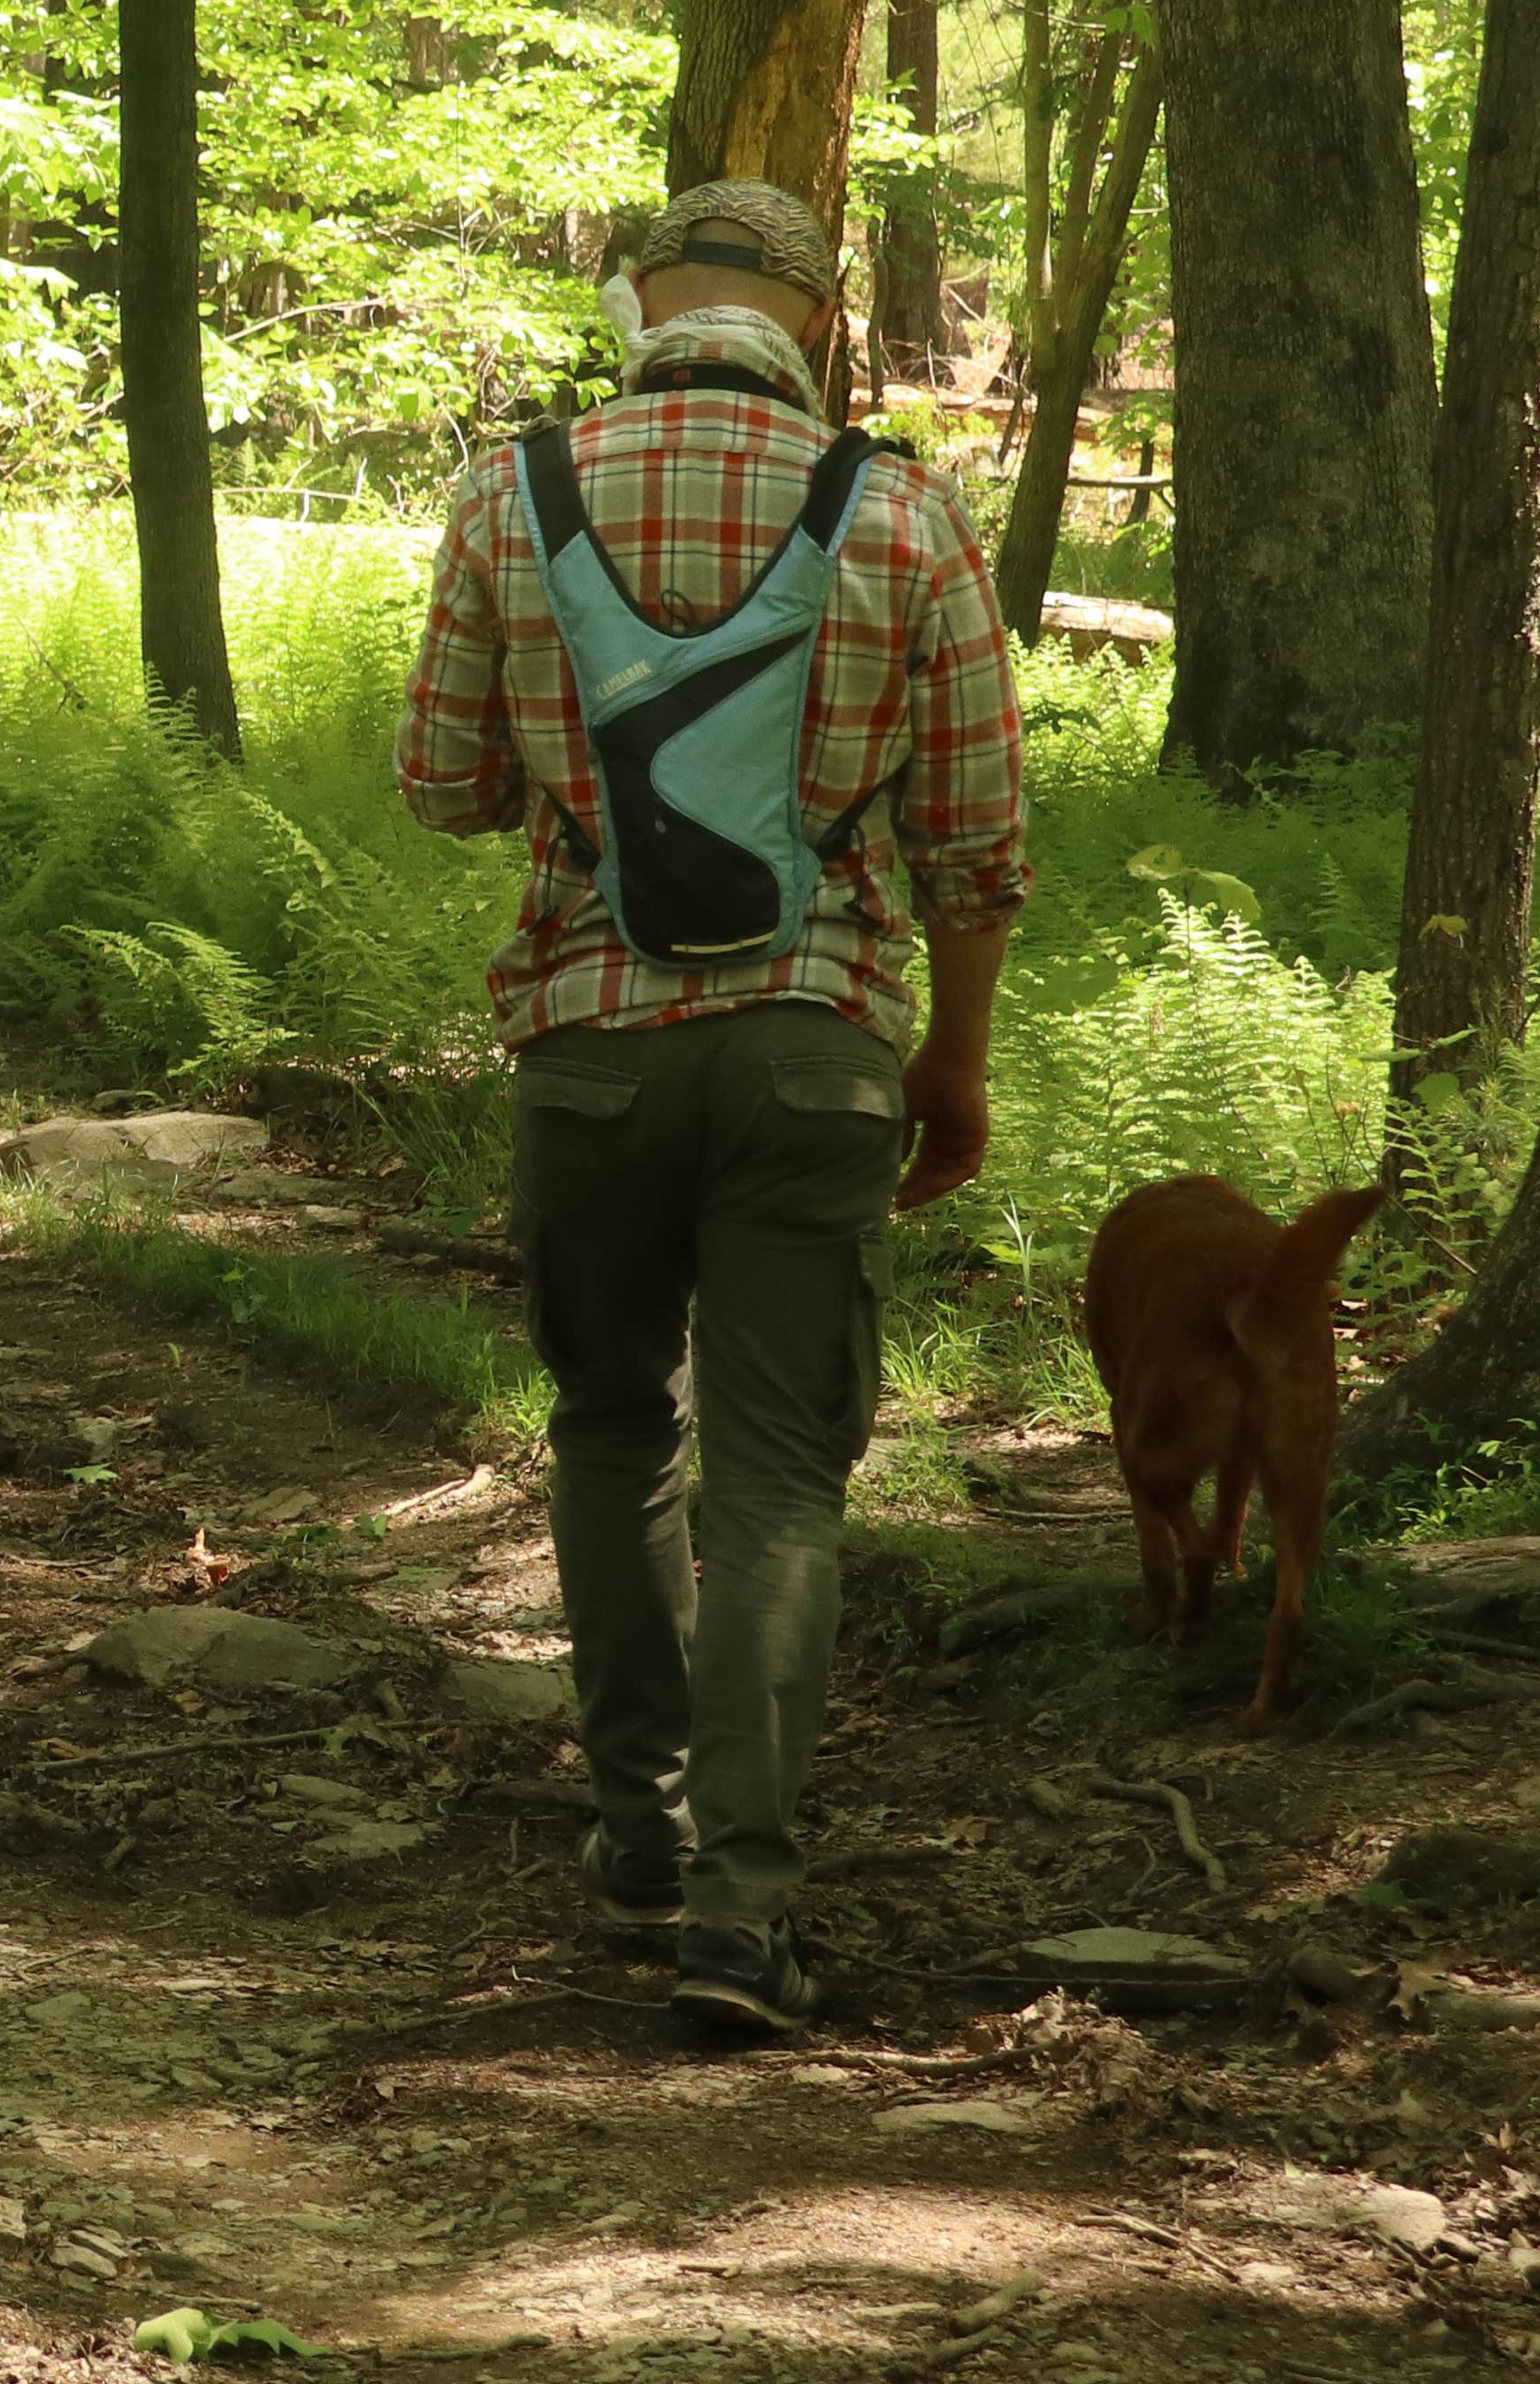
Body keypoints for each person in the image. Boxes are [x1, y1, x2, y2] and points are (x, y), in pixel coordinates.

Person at [395, 179, 1032, 2040]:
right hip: (821, 1044)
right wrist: (954, 1063)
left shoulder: (513, 492)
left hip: (589, 1048)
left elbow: (442, 783)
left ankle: (639, 1832)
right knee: (779, 1478)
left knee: (609, 1428)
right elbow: (978, 852)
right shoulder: (906, 510)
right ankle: (746, 1915)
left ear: (640, 307)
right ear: (823, 324)